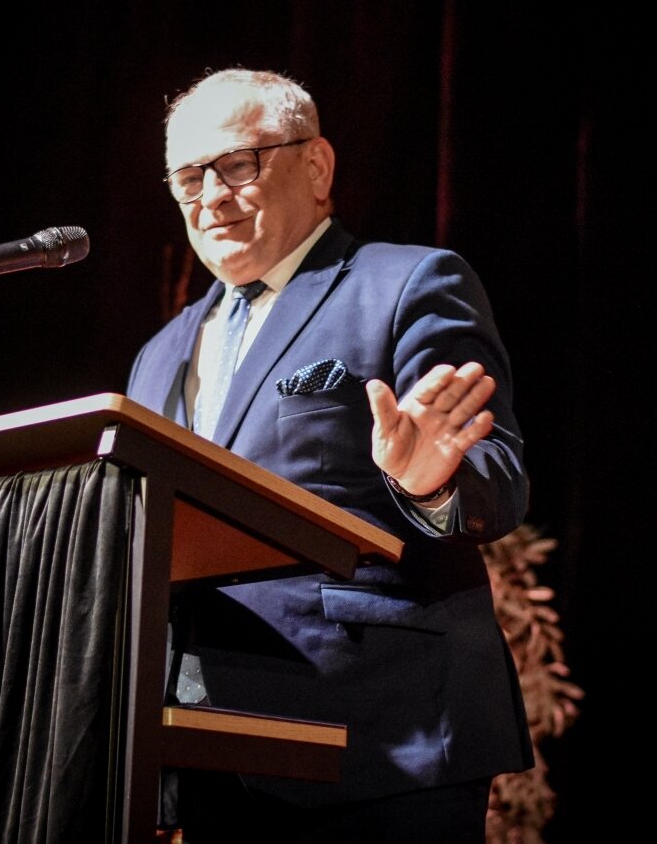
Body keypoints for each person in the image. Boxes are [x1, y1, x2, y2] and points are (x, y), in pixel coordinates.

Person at [127, 69, 532, 842]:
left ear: (315, 166)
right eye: (187, 177)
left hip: (380, 736)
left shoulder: (406, 283)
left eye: (236, 165)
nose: (210, 196)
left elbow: (498, 480)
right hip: (210, 742)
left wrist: (431, 481)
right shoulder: (159, 354)